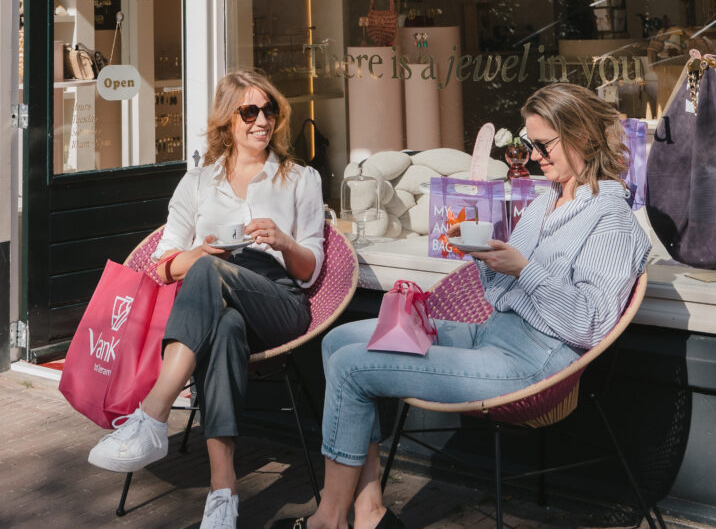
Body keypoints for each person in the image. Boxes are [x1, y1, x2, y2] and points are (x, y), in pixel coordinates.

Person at [274, 83, 651, 529]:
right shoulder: (546, 199)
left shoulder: (611, 221)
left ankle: (328, 520)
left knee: (355, 367)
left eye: (544, 144)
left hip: (536, 362)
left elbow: (590, 324)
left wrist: (521, 269)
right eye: (530, 144)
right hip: (489, 331)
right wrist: (485, 255)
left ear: (583, 136)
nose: (534, 156)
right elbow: (501, 290)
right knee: (338, 340)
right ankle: (369, 511)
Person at [87, 69, 326, 529]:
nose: (262, 120)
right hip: (218, 305)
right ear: (227, 121)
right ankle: (223, 496)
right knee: (224, 325)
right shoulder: (198, 182)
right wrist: (198, 253)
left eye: (269, 110)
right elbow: (159, 265)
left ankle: (153, 416)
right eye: (250, 111)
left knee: (209, 273)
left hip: (279, 301)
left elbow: (311, 269)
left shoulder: (300, 178)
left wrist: (283, 241)